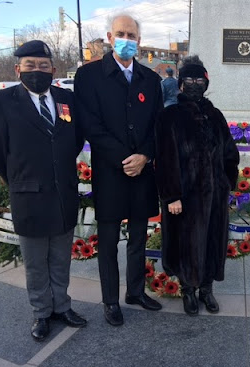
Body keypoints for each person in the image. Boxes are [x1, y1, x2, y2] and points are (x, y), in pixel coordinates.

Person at [0, 40, 86, 341]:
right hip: (28, 194)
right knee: (36, 262)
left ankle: (62, 306)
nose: (37, 71)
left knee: (60, 257)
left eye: (43, 66)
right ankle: (41, 313)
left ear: (53, 69)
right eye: (30, 66)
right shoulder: (1, 101)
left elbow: (74, 140)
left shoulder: (66, 99)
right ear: (18, 69)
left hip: (63, 192)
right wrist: (17, 176)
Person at [74, 15, 163, 326]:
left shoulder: (150, 80)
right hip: (111, 172)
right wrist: (126, 159)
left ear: (138, 40)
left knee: (139, 236)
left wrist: (145, 156)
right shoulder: (88, 76)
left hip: (142, 172)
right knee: (109, 240)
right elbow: (90, 125)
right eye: (121, 33)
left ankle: (135, 291)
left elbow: (157, 125)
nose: (127, 39)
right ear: (110, 37)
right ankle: (110, 300)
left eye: (132, 35)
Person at [155, 56, 240, 316]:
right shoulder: (170, 116)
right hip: (186, 197)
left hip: (214, 195)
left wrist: (228, 182)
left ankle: (206, 289)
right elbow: (166, 159)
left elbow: (229, 151)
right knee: (187, 243)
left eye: (199, 79)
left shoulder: (215, 115)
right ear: (180, 84)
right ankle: (188, 290)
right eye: (189, 80)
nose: (194, 84)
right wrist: (172, 197)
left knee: (212, 241)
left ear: (206, 82)